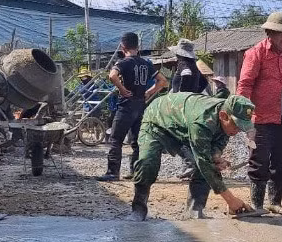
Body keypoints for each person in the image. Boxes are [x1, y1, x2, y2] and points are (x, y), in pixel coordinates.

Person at [130, 93, 256, 220]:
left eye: (241, 128)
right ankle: (138, 209)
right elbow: (204, 163)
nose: (237, 131)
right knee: (148, 162)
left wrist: (216, 156)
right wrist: (231, 200)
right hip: (156, 122)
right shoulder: (202, 120)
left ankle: (195, 211)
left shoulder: (226, 119)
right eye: (236, 125)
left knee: (207, 165)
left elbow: (218, 143)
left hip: (183, 128)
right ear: (223, 116)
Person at [237, 11, 282, 216]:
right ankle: (257, 205)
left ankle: (274, 202)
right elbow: (245, 85)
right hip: (260, 119)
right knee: (259, 161)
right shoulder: (256, 53)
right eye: (281, 34)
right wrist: (242, 116)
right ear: (269, 32)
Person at [97, 32, 167, 181]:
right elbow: (162, 81)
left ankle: (112, 172)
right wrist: (149, 92)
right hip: (141, 106)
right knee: (136, 141)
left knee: (116, 139)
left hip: (126, 105)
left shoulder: (123, 62)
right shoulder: (146, 63)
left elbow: (112, 76)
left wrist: (122, 89)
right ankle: (135, 171)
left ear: (123, 47)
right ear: (138, 46)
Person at [169, 38, 209, 180]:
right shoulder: (194, 65)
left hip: (181, 106)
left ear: (179, 54)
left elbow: (186, 74)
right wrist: (194, 93)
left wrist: (181, 95)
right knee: (187, 135)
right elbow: (204, 82)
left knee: (174, 134)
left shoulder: (183, 64)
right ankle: (190, 166)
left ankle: (189, 163)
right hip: (192, 103)